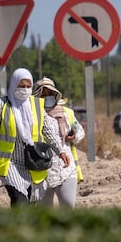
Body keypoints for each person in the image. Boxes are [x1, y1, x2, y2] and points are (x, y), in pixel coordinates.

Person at [0, 68, 70, 206]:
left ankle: (18, 227)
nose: (25, 89)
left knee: (30, 203)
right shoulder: (2, 105)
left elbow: (47, 130)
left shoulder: (36, 105)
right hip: (10, 163)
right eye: (21, 86)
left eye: (28, 86)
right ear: (14, 85)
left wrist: (61, 151)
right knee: (19, 200)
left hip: (32, 161)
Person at [32, 77, 85, 208]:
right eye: (43, 94)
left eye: (50, 93)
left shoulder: (67, 113)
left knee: (68, 207)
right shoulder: (33, 115)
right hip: (42, 169)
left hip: (65, 167)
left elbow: (80, 131)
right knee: (44, 213)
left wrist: (74, 135)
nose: (47, 97)